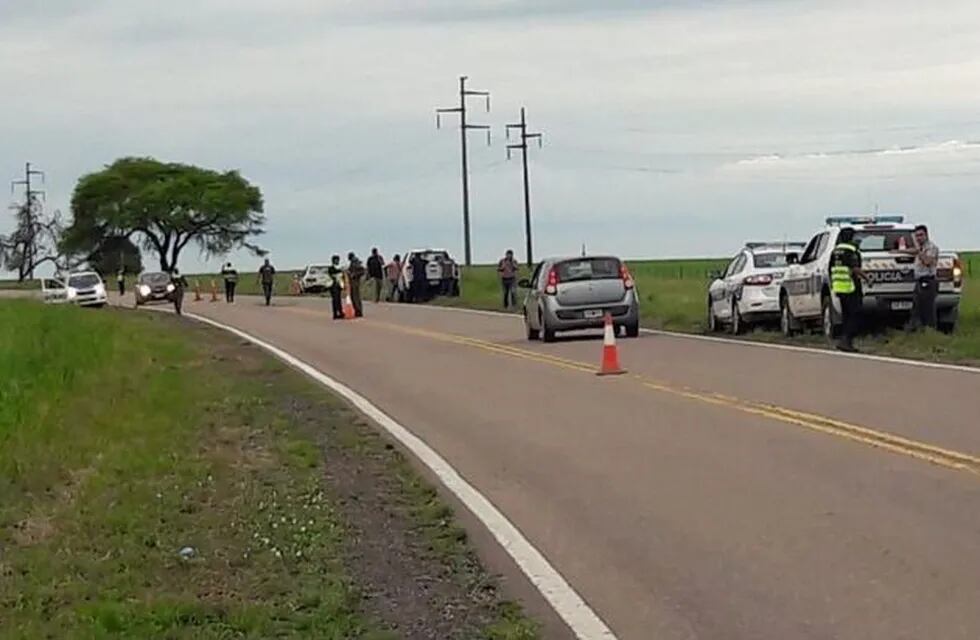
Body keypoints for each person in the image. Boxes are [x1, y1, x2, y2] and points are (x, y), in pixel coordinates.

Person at [829, 228, 868, 352]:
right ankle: (846, 340)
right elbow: (855, 268)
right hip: (851, 286)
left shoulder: (835, 251)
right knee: (855, 314)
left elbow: (830, 269)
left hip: (839, 287)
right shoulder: (851, 250)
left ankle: (845, 342)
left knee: (846, 315)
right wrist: (867, 278)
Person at [902, 224, 939, 330]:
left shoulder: (931, 247)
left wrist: (919, 251)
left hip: (928, 281)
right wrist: (898, 251)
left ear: (926, 235)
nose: (918, 238)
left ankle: (930, 331)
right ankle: (918, 330)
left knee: (928, 309)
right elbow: (912, 251)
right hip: (919, 281)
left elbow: (928, 261)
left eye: (921, 235)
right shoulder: (921, 248)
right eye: (917, 236)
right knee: (917, 308)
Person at [347, 252, 366, 318]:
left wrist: (354, 275)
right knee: (353, 297)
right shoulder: (352, 263)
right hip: (353, 282)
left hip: (355, 282)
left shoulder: (355, 262)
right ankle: (357, 311)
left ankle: (359, 311)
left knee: (356, 297)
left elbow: (362, 271)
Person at [327, 255, 344, 320]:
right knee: (335, 300)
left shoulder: (339, 268)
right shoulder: (331, 268)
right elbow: (332, 276)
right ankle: (335, 314)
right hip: (333, 286)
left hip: (338, 286)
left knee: (338, 300)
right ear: (333, 261)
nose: (337, 261)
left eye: (338, 260)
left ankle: (340, 312)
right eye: (336, 260)